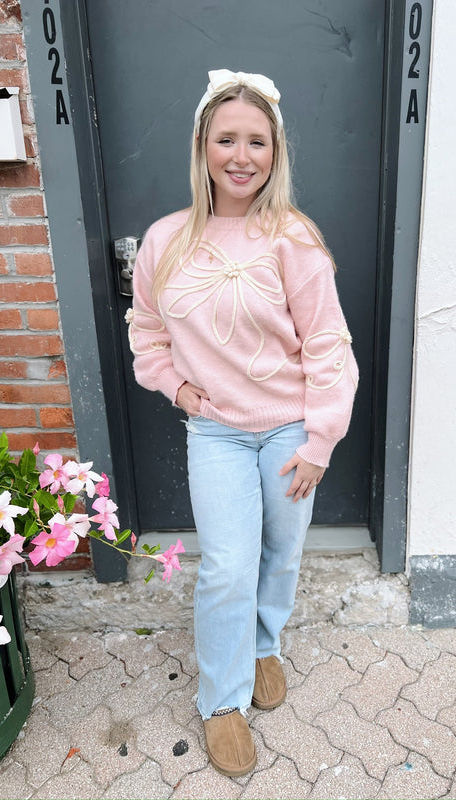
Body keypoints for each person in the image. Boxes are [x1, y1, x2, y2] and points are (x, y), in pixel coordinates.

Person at [126, 69, 358, 777]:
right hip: (218, 433)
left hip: (290, 429)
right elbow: (146, 333)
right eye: (226, 138)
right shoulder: (165, 241)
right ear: (203, 145)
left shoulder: (294, 239)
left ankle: (263, 646)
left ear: (275, 151)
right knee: (226, 565)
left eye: (257, 141)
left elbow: (327, 345)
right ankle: (220, 701)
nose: (241, 155)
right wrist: (177, 390)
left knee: (281, 553)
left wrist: (321, 438)